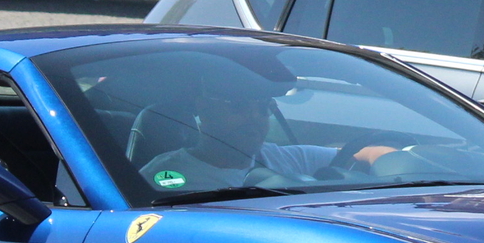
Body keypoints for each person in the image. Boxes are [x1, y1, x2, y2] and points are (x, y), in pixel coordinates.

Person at [134, 60, 393, 194]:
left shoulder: (285, 158)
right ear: (204, 108)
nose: (254, 117)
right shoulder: (165, 175)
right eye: (238, 106)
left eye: (262, 108)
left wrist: (410, 169)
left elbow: (368, 154)